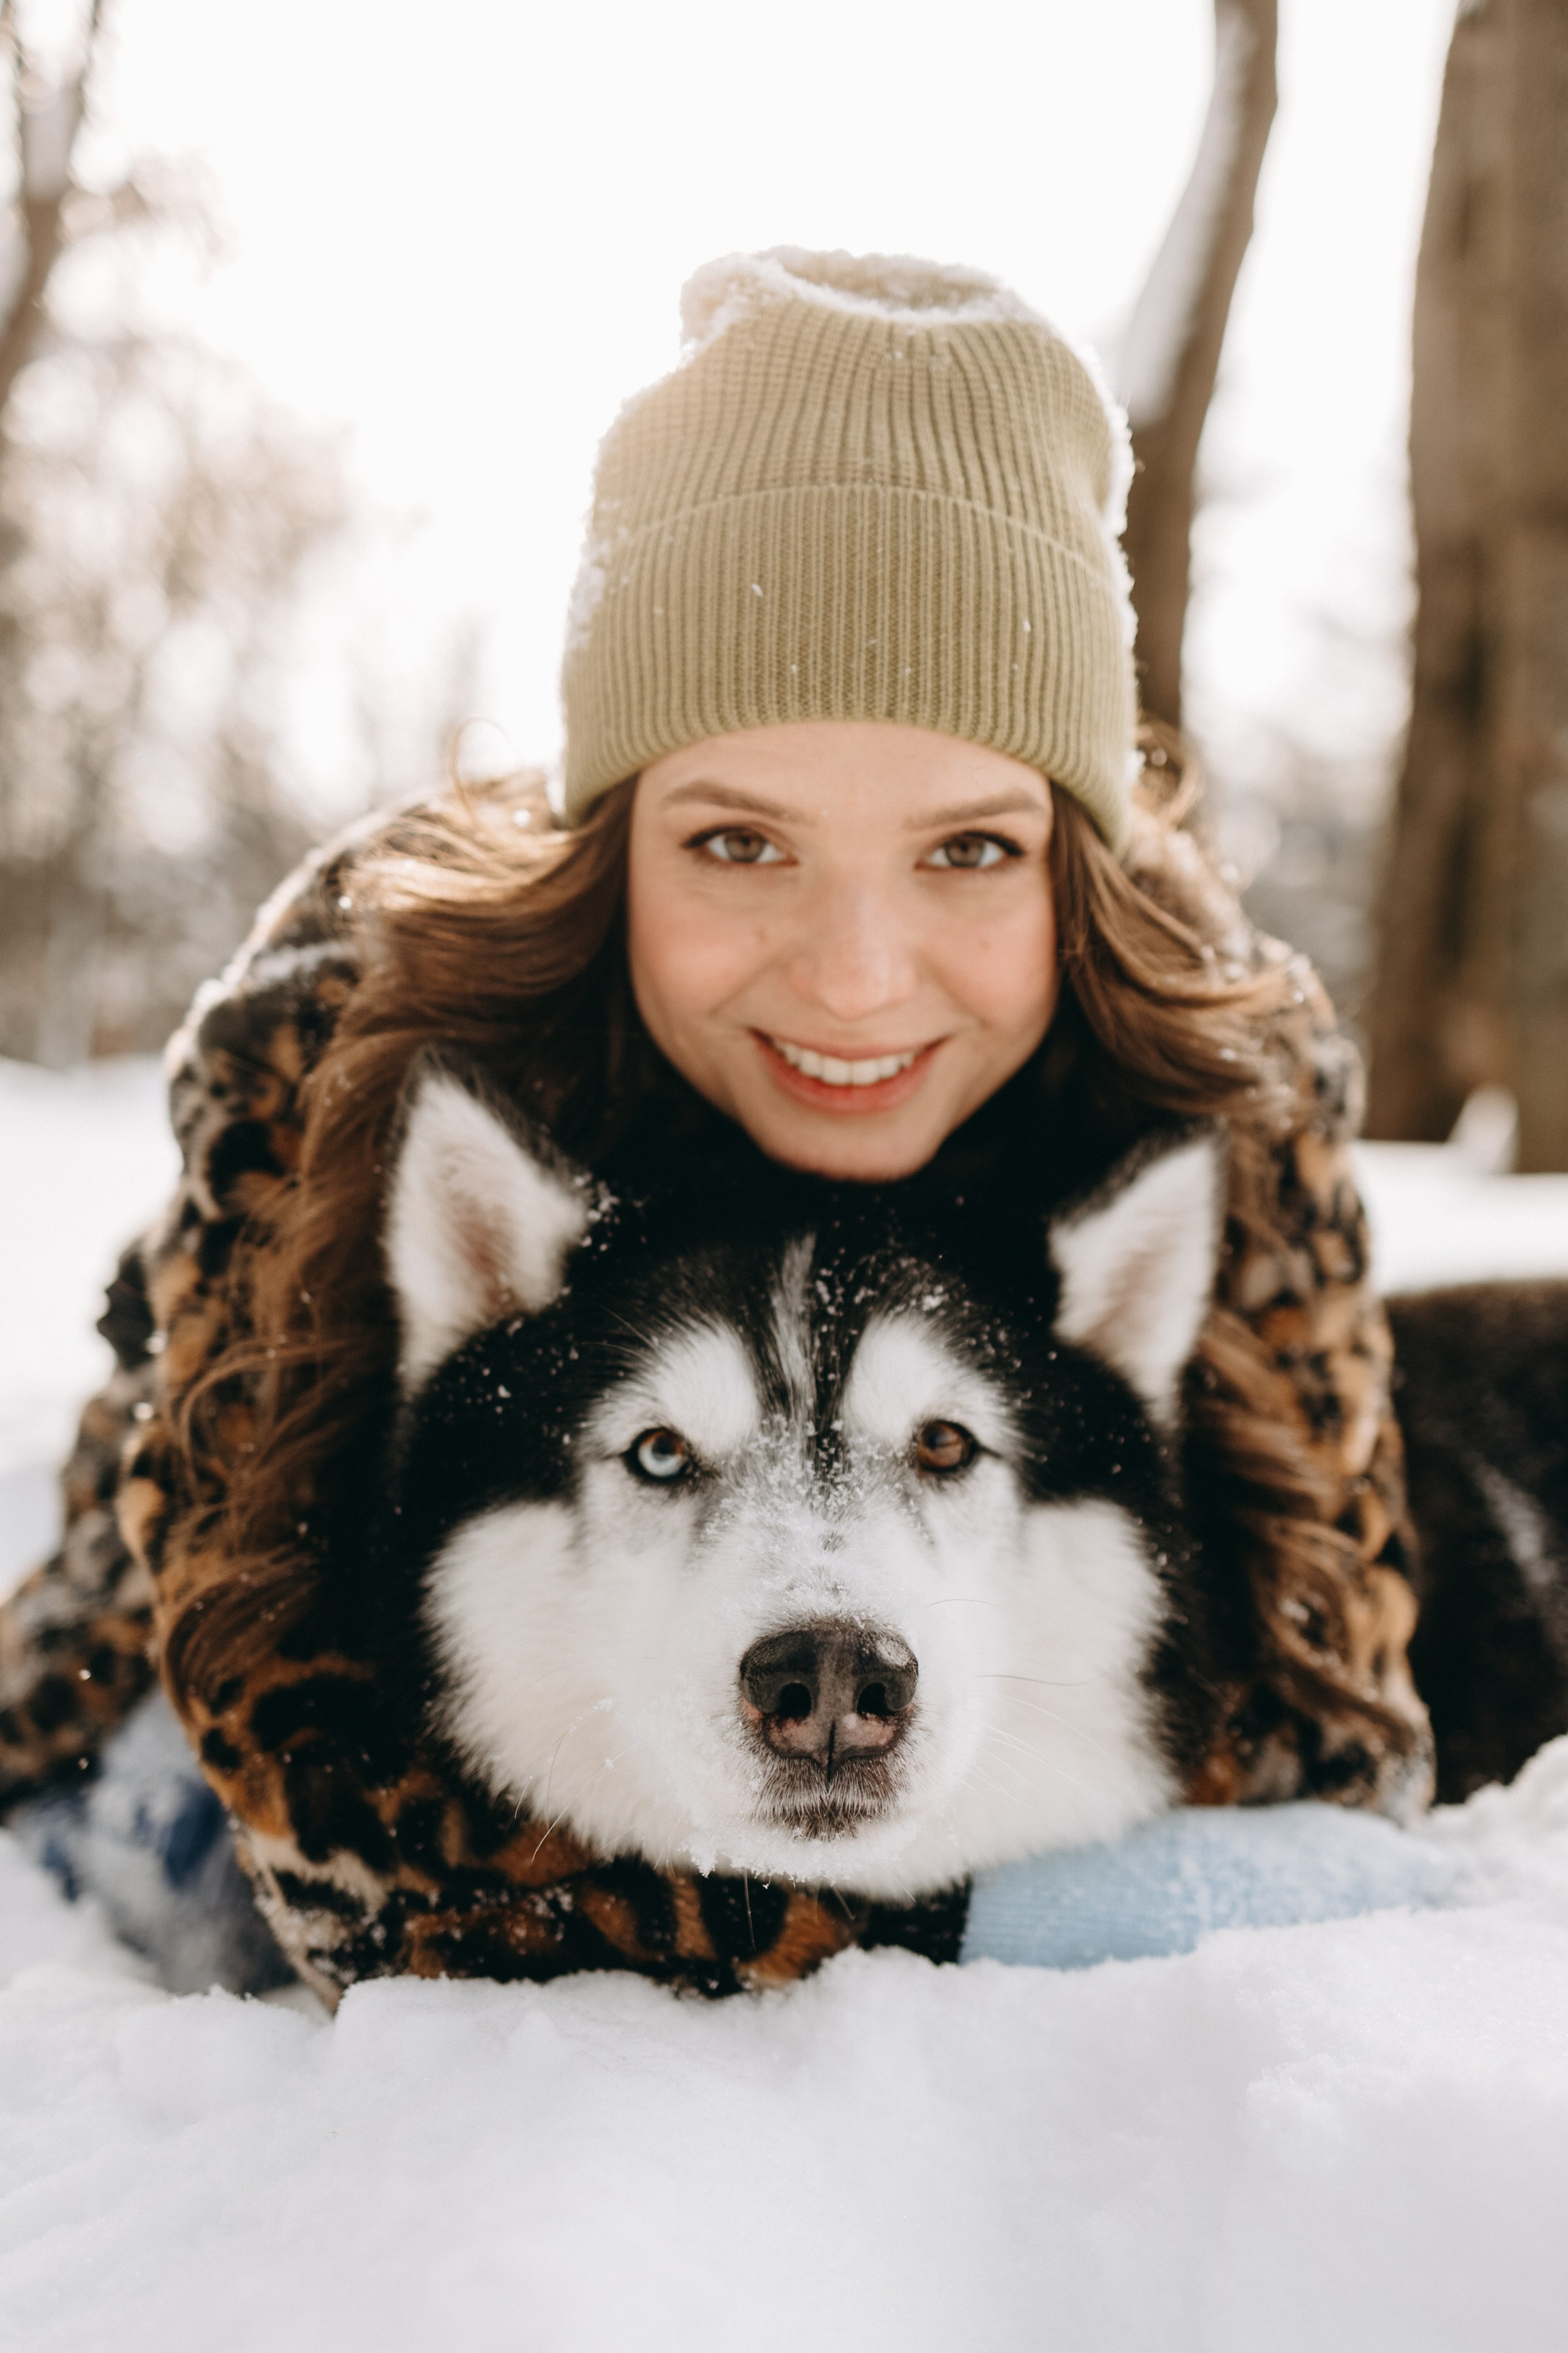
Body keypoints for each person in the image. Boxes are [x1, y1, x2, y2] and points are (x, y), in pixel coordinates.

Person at [0, 249, 1430, 2001]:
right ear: (612, 835)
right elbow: (357, 1861)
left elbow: (1335, 1743)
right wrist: (998, 1910)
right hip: (157, 1699)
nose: (852, 977)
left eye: (969, 847)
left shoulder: (1221, 1084)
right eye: (738, 842)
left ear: (1075, 864)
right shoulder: (352, 1046)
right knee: (182, 1880)